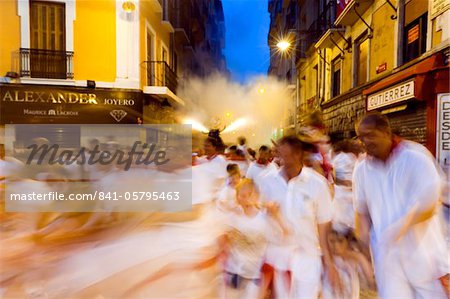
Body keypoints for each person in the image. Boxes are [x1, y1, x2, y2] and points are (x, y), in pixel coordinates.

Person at [353, 112, 448, 298]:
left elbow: (429, 204)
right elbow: (361, 213)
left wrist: (401, 226)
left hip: (424, 256)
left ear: (387, 133)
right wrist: (362, 248)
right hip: (387, 259)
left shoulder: (415, 157)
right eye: (361, 137)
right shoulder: (361, 169)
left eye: (370, 135)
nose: (365, 142)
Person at [257, 135, 341, 298]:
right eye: (280, 155)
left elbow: (324, 226)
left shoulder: (316, 184)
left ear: (299, 155)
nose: (282, 160)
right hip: (277, 258)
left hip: (307, 258)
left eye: (287, 156)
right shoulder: (266, 181)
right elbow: (258, 215)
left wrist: (329, 263)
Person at [222, 179, 286, 299]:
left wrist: (276, 215)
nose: (246, 199)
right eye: (242, 195)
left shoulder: (264, 220)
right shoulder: (233, 218)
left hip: (254, 276)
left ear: (257, 195)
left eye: (250, 195)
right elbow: (224, 241)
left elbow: (284, 235)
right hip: (234, 272)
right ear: (237, 197)